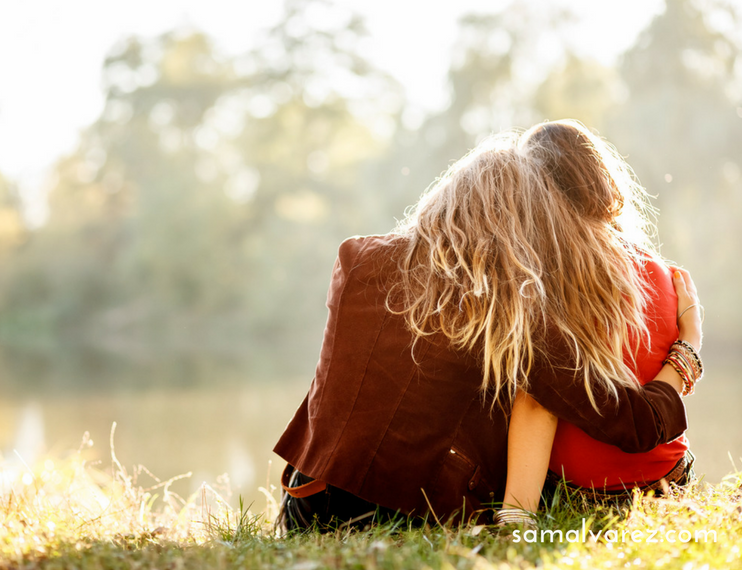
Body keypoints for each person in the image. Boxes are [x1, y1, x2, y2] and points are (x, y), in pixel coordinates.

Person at [273, 127, 702, 532]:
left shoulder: (356, 258)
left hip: (308, 502)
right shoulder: (511, 304)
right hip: (418, 515)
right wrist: (688, 346)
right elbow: (635, 425)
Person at [498, 120, 703, 523]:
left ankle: (517, 514)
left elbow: (539, 402)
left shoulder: (544, 279)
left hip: (581, 494)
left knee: (527, 380)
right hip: (666, 479)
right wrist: (692, 341)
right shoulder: (662, 272)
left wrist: (516, 517)